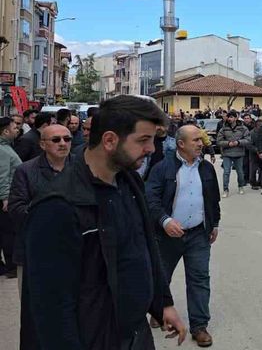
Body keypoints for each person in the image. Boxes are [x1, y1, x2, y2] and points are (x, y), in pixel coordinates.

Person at [20, 96, 187, 350]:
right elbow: (49, 308)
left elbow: (144, 248)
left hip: (135, 333)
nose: (152, 148)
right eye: (143, 140)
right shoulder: (58, 205)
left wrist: (163, 302)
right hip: (94, 338)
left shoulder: (129, 182)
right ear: (109, 140)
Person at [146, 124, 220, 347]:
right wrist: (165, 221)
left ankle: (199, 326)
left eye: (201, 139)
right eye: (196, 140)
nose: (201, 143)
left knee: (199, 279)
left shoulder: (206, 168)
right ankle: (159, 311)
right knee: (161, 276)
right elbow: (150, 199)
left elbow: (213, 199)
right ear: (181, 144)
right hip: (168, 235)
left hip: (198, 234)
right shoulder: (163, 168)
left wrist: (214, 223)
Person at [8, 124, 73, 284]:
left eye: (67, 139)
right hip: (35, 250)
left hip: (74, 251)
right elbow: (16, 208)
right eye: (56, 140)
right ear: (43, 144)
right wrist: (49, 217)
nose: (63, 143)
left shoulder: (84, 168)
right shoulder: (26, 170)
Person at [0, 117, 22, 279]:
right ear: (5, 131)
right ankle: (11, 266)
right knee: (8, 233)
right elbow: (3, 175)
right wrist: (5, 198)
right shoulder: (2, 149)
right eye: (15, 128)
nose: (18, 130)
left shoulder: (6, 147)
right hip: (6, 199)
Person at [216, 111, 250, 197]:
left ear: (236, 118)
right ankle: (225, 189)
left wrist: (238, 142)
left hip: (239, 153)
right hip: (227, 153)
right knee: (226, 172)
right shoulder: (223, 129)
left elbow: (248, 140)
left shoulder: (243, 128)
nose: (229, 119)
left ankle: (241, 186)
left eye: (231, 117)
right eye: (228, 117)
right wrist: (227, 143)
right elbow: (218, 141)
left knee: (240, 172)